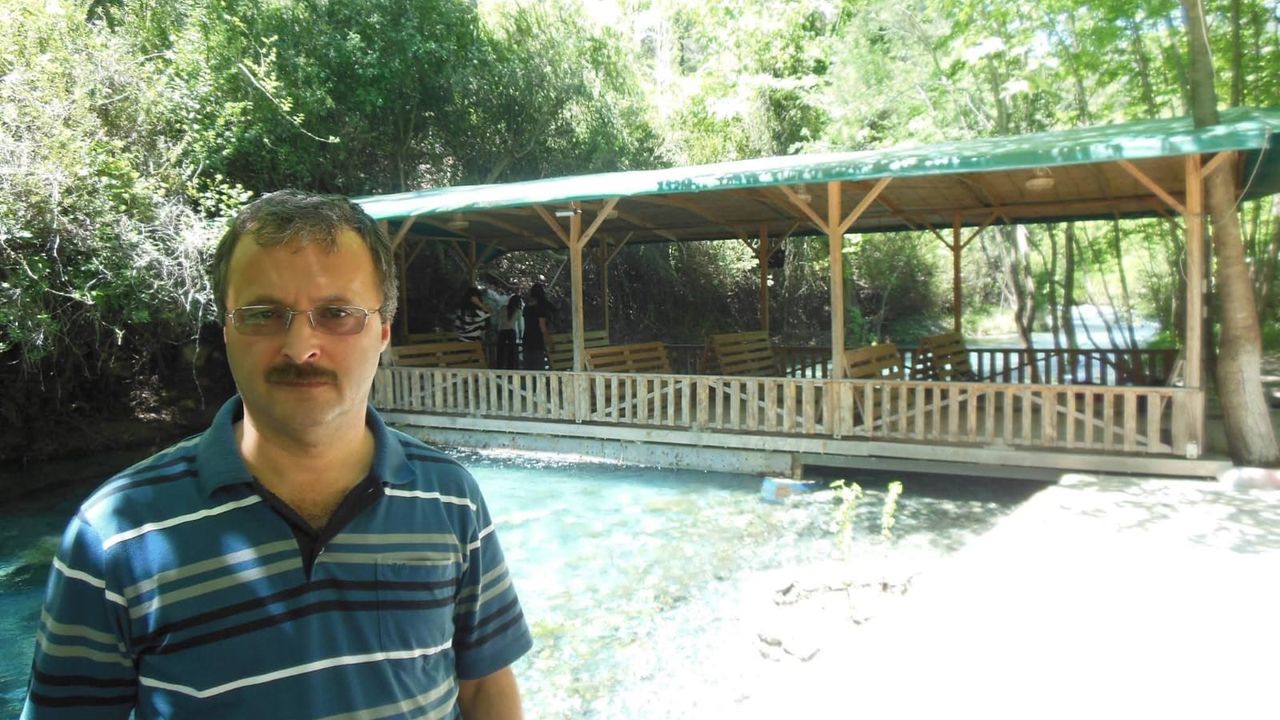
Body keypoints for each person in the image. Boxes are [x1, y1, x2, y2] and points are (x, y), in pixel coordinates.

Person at [21, 190, 532, 719]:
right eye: (263, 314)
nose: (299, 348)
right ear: (227, 331)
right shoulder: (113, 535)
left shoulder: (450, 496)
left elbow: (483, 686)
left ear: (382, 332)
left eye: (337, 313)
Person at [521, 283, 554, 371]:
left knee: (528, 370)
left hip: (526, 340)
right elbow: (542, 326)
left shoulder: (526, 307)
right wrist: (549, 341)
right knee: (538, 371)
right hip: (537, 341)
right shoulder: (541, 307)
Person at [495, 295, 524, 370]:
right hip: (511, 332)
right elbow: (520, 325)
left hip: (502, 331)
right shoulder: (518, 311)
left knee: (500, 351)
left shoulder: (503, 308)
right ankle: (510, 367)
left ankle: (499, 367)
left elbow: (498, 321)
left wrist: (497, 331)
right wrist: (520, 335)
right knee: (512, 352)